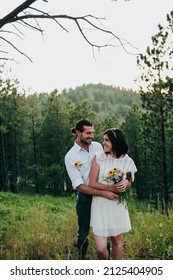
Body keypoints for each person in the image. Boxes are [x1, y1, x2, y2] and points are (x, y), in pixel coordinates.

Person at [64, 119, 118, 259]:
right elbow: (80, 186)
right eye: (88, 133)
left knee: (104, 232)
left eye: (93, 132)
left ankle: (107, 263)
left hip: (103, 196)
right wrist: (104, 193)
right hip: (85, 199)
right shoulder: (70, 157)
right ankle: (82, 261)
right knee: (83, 233)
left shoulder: (98, 147)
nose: (91, 136)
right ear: (78, 133)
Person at [89, 128, 137, 260]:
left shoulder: (128, 161)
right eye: (103, 140)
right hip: (100, 204)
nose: (103, 143)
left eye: (106, 140)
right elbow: (92, 183)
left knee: (116, 241)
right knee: (100, 249)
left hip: (117, 204)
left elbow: (129, 181)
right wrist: (111, 188)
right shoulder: (99, 158)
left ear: (115, 142)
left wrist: (125, 184)